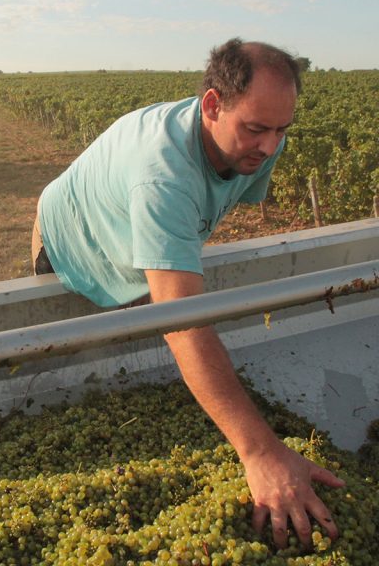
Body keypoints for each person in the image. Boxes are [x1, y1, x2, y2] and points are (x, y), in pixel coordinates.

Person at [31, 38, 345, 549]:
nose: (269, 146)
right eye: (256, 129)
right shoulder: (162, 177)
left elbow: (203, 215)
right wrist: (261, 452)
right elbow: (182, 320)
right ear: (213, 105)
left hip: (139, 224)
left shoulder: (260, 143)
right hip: (71, 241)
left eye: (281, 129)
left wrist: (169, 258)